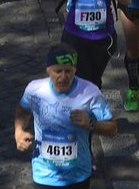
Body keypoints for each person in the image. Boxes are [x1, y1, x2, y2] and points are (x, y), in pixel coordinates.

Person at [14, 45, 116, 187]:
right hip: (44, 175)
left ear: (75, 70)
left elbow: (112, 129)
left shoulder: (90, 92)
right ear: (48, 70)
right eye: (58, 71)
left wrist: (90, 124)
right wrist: (18, 131)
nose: (63, 77)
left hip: (78, 176)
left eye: (68, 71)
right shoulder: (34, 90)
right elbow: (22, 110)